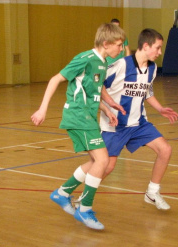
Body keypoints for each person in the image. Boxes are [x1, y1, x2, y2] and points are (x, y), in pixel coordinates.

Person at [30, 23, 125, 230]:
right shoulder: (85, 59)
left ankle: (62, 193)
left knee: (94, 162)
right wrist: (42, 109)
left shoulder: (102, 62)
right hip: (78, 116)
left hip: (88, 117)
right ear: (106, 44)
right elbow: (55, 79)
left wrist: (106, 109)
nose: (121, 48)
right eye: (119, 45)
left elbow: (91, 93)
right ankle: (84, 209)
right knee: (103, 160)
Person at [99, 28, 178, 210]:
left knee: (165, 149)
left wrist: (159, 108)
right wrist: (108, 107)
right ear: (145, 46)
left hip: (139, 123)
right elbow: (98, 84)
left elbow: (147, 90)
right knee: (107, 167)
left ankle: (152, 192)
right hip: (116, 125)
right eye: (157, 48)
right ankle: (83, 197)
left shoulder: (152, 68)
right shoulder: (121, 65)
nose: (159, 52)